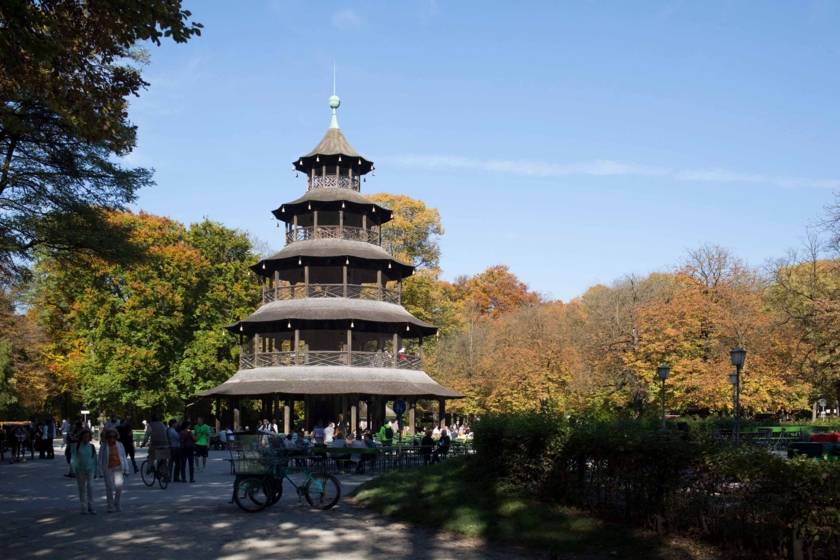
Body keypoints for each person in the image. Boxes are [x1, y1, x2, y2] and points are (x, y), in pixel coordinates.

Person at [98, 429, 129, 513]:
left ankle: (117, 502)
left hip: (118, 467)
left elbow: (123, 457)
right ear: (107, 437)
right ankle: (110, 506)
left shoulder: (120, 445)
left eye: (114, 436)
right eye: (110, 437)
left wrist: (126, 469)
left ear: (116, 437)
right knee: (109, 487)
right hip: (108, 469)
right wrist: (100, 471)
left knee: (119, 487)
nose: (112, 438)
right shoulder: (104, 446)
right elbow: (100, 459)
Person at [71, 429, 97, 514]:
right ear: (81, 437)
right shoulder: (77, 446)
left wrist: (96, 471)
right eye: (85, 436)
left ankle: (91, 506)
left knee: (90, 487)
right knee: (82, 489)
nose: (86, 438)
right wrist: (73, 470)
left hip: (90, 469)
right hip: (80, 470)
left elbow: (94, 459)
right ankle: (83, 507)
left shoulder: (92, 447)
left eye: (88, 437)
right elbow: (73, 458)